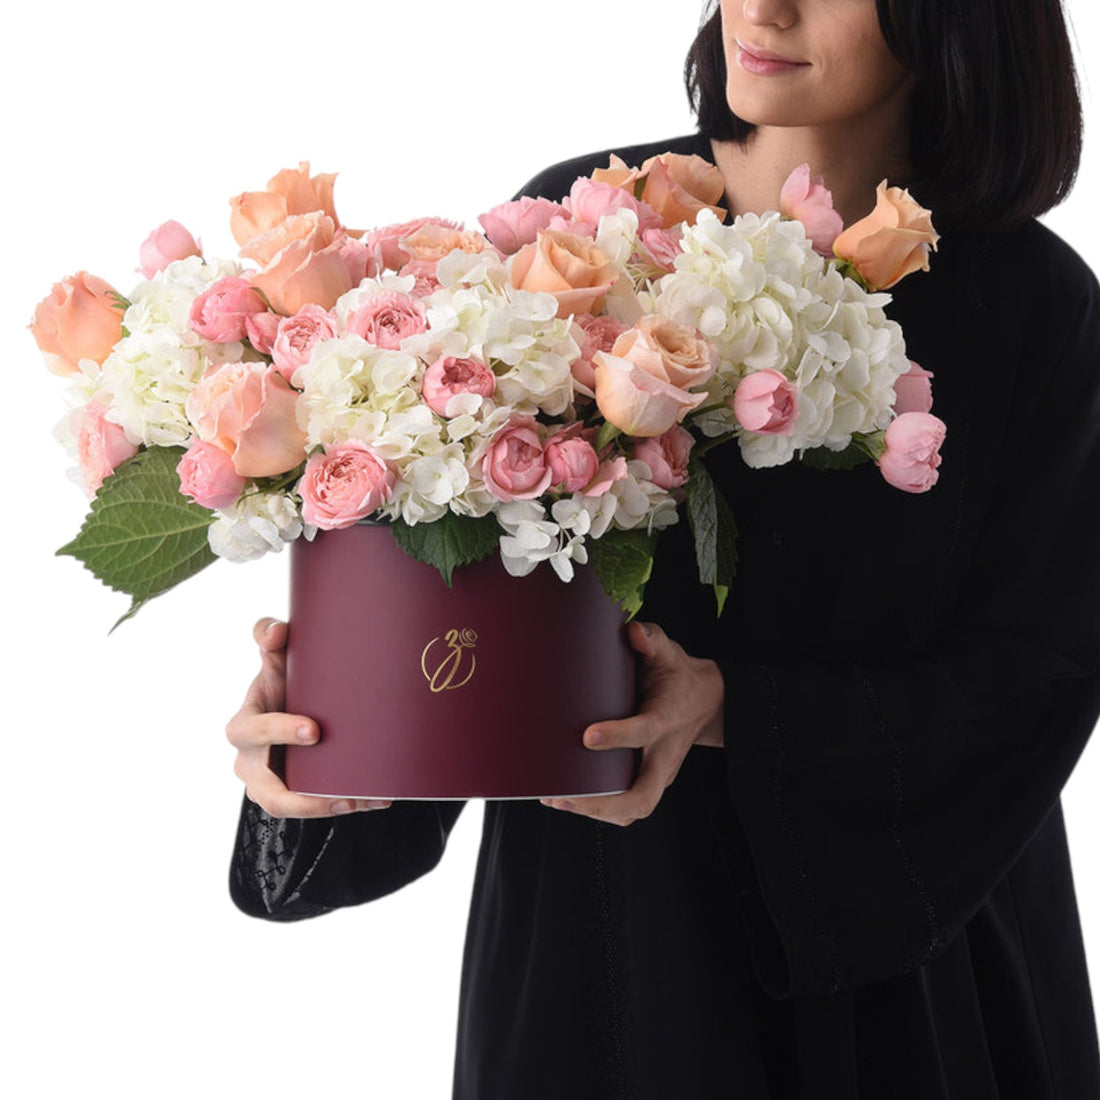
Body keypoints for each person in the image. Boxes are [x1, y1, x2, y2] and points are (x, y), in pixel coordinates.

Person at [227, 0, 1100, 1095]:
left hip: (899, 980)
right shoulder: (572, 238)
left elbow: (1036, 681)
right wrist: (326, 738)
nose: (764, 10)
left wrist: (726, 705)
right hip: (594, 950)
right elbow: (463, 571)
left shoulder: (1033, 306)